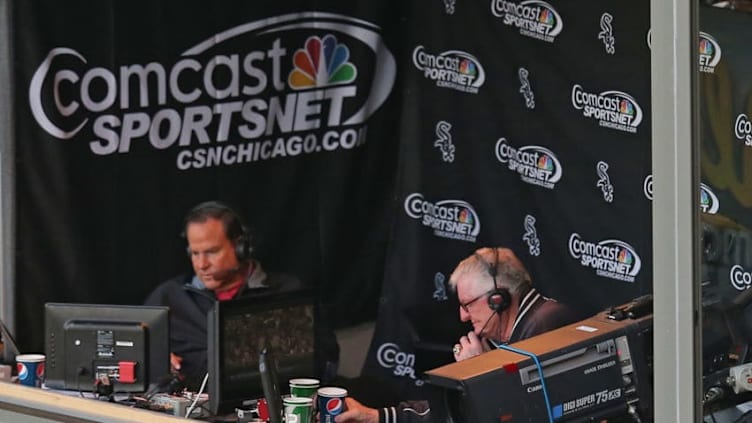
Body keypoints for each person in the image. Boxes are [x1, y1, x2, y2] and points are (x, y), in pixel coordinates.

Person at [334, 247, 582, 423]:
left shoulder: (548, 323)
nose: (463, 316)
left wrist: (481, 370)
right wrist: (375, 416)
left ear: (498, 299)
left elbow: (530, 412)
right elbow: (450, 413)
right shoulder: (499, 339)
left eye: (468, 305)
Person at [144, 201, 337, 387]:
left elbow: (324, 363)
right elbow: (130, 354)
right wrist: (156, 362)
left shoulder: (287, 292)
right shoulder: (168, 297)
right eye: (195, 253)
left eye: (212, 252)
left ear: (241, 248)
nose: (202, 264)